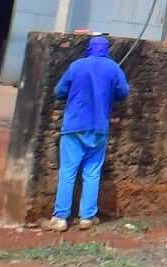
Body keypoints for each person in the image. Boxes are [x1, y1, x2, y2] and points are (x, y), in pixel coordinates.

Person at [50, 34, 130, 231]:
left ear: (89, 48)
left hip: (74, 126)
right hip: (99, 127)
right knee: (92, 172)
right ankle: (87, 217)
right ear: (106, 50)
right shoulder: (113, 68)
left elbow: (59, 91)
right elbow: (123, 93)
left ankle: (61, 218)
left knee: (68, 172)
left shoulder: (76, 66)